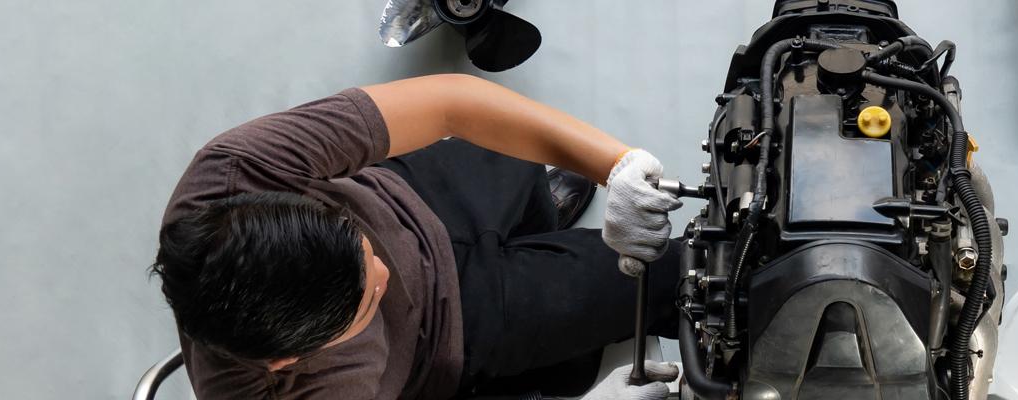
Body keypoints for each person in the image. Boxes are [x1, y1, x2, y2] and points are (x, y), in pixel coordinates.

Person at [150, 74, 683, 399]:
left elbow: (451, 104)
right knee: (673, 277)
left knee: (521, 158)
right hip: (446, 333)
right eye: (366, 303)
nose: (382, 272)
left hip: (411, 197)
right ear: (286, 363)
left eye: (360, 250)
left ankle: (536, 219)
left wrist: (618, 167)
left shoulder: (234, 171)